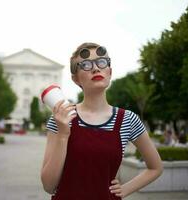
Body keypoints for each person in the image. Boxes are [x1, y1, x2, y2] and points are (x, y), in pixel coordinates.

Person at [40, 42, 163, 199]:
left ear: (109, 72)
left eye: (101, 62)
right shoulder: (61, 118)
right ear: (75, 79)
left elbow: (156, 167)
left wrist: (125, 189)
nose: (95, 68)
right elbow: (48, 186)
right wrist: (63, 134)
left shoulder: (128, 119)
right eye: (85, 64)